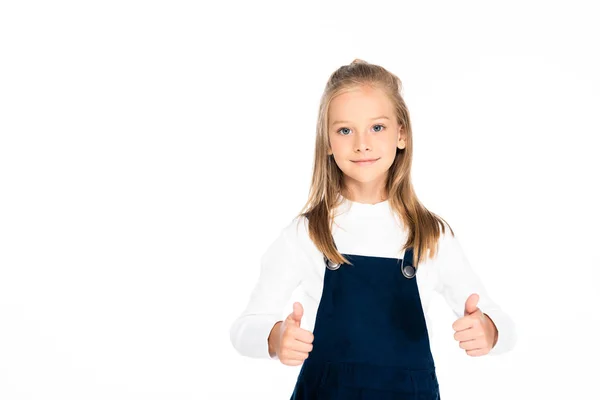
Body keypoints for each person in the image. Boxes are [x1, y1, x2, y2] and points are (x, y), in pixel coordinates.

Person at [229, 59, 517, 399]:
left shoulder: (430, 236)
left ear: (402, 133)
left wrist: (489, 330)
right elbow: (244, 328)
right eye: (345, 130)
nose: (361, 143)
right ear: (327, 142)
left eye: (377, 127)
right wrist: (275, 338)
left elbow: (503, 324)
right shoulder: (307, 233)